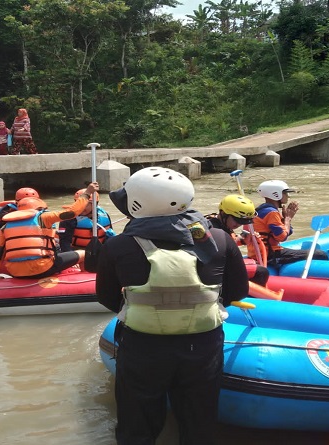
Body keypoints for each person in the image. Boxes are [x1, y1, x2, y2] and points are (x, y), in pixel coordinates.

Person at [96, 167, 249, 445]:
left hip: (143, 347)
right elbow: (239, 291)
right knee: (199, 424)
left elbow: (106, 298)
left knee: (136, 428)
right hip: (203, 347)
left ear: (137, 203)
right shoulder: (221, 239)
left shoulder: (117, 246)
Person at [0, 182, 100, 278]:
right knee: (84, 253)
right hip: (42, 268)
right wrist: (87, 193)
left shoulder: (5, 227)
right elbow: (72, 212)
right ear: (40, 208)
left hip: (15, 272)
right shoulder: (43, 217)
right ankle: (87, 279)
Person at [252, 180, 328, 266]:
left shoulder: (261, 210)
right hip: (269, 255)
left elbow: (287, 232)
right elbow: (282, 237)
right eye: (285, 193)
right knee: (321, 255)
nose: (288, 196)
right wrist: (288, 219)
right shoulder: (271, 213)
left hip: (262, 253)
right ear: (276, 194)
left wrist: (285, 219)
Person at [206, 194, 270, 287]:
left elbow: (228, 242)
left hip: (220, 265)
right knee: (261, 272)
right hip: (214, 269)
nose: (239, 224)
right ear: (224, 214)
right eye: (237, 220)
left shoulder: (223, 223)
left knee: (255, 265)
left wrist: (244, 240)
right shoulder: (213, 228)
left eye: (242, 222)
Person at [58, 188, 116, 252]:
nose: (81, 207)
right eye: (78, 203)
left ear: (94, 204)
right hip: (77, 253)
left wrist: (111, 240)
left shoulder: (105, 216)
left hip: (99, 253)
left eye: (85, 204)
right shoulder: (68, 219)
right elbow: (64, 244)